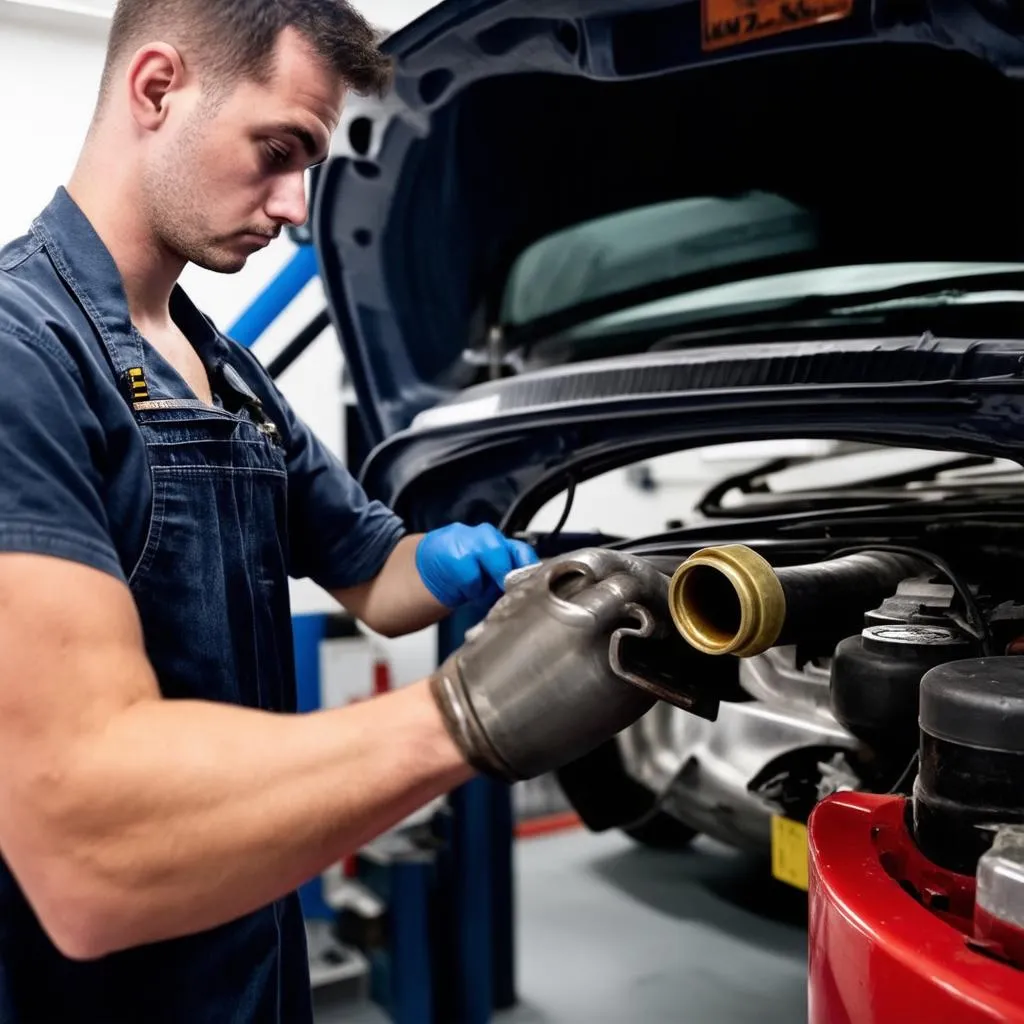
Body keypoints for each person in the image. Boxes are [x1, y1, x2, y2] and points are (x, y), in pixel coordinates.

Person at [0, 2, 675, 1021]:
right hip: (101, 988)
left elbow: (375, 578)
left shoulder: (228, 373)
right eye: (278, 150)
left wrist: (459, 561)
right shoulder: (23, 353)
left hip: (257, 954)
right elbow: (88, 844)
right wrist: (475, 714)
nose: (295, 205)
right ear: (155, 88)